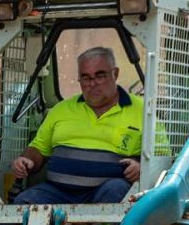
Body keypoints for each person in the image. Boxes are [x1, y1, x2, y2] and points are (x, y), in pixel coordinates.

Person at [10, 46, 144, 205]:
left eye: (99, 76)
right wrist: (27, 160)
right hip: (58, 192)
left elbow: (161, 158)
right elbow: (38, 149)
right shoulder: (61, 109)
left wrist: (141, 167)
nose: (92, 84)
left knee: (117, 191)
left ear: (115, 73)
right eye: (86, 78)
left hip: (106, 191)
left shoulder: (142, 110)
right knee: (23, 202)